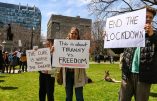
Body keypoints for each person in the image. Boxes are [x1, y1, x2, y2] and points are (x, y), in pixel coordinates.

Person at [119, 6, 157, 101]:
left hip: (144, 77)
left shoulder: (154, 34)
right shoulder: (130, 32)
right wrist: (108, 39)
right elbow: (117, 49)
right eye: (146, 16)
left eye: (150, 17)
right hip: (127, 74)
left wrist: (152, 35)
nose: (148, 19)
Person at [62, 27, 87, 101]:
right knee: (68, 97)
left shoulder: (82, 45)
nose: (74, 35)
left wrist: (88, 51)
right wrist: (54, 50)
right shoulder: (62, 44)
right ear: (69, 34)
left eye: (75, 33)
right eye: (72, 33)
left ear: (78, 35)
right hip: (67, 74)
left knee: (79, 97)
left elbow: (85, 59)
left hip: (78, 74)